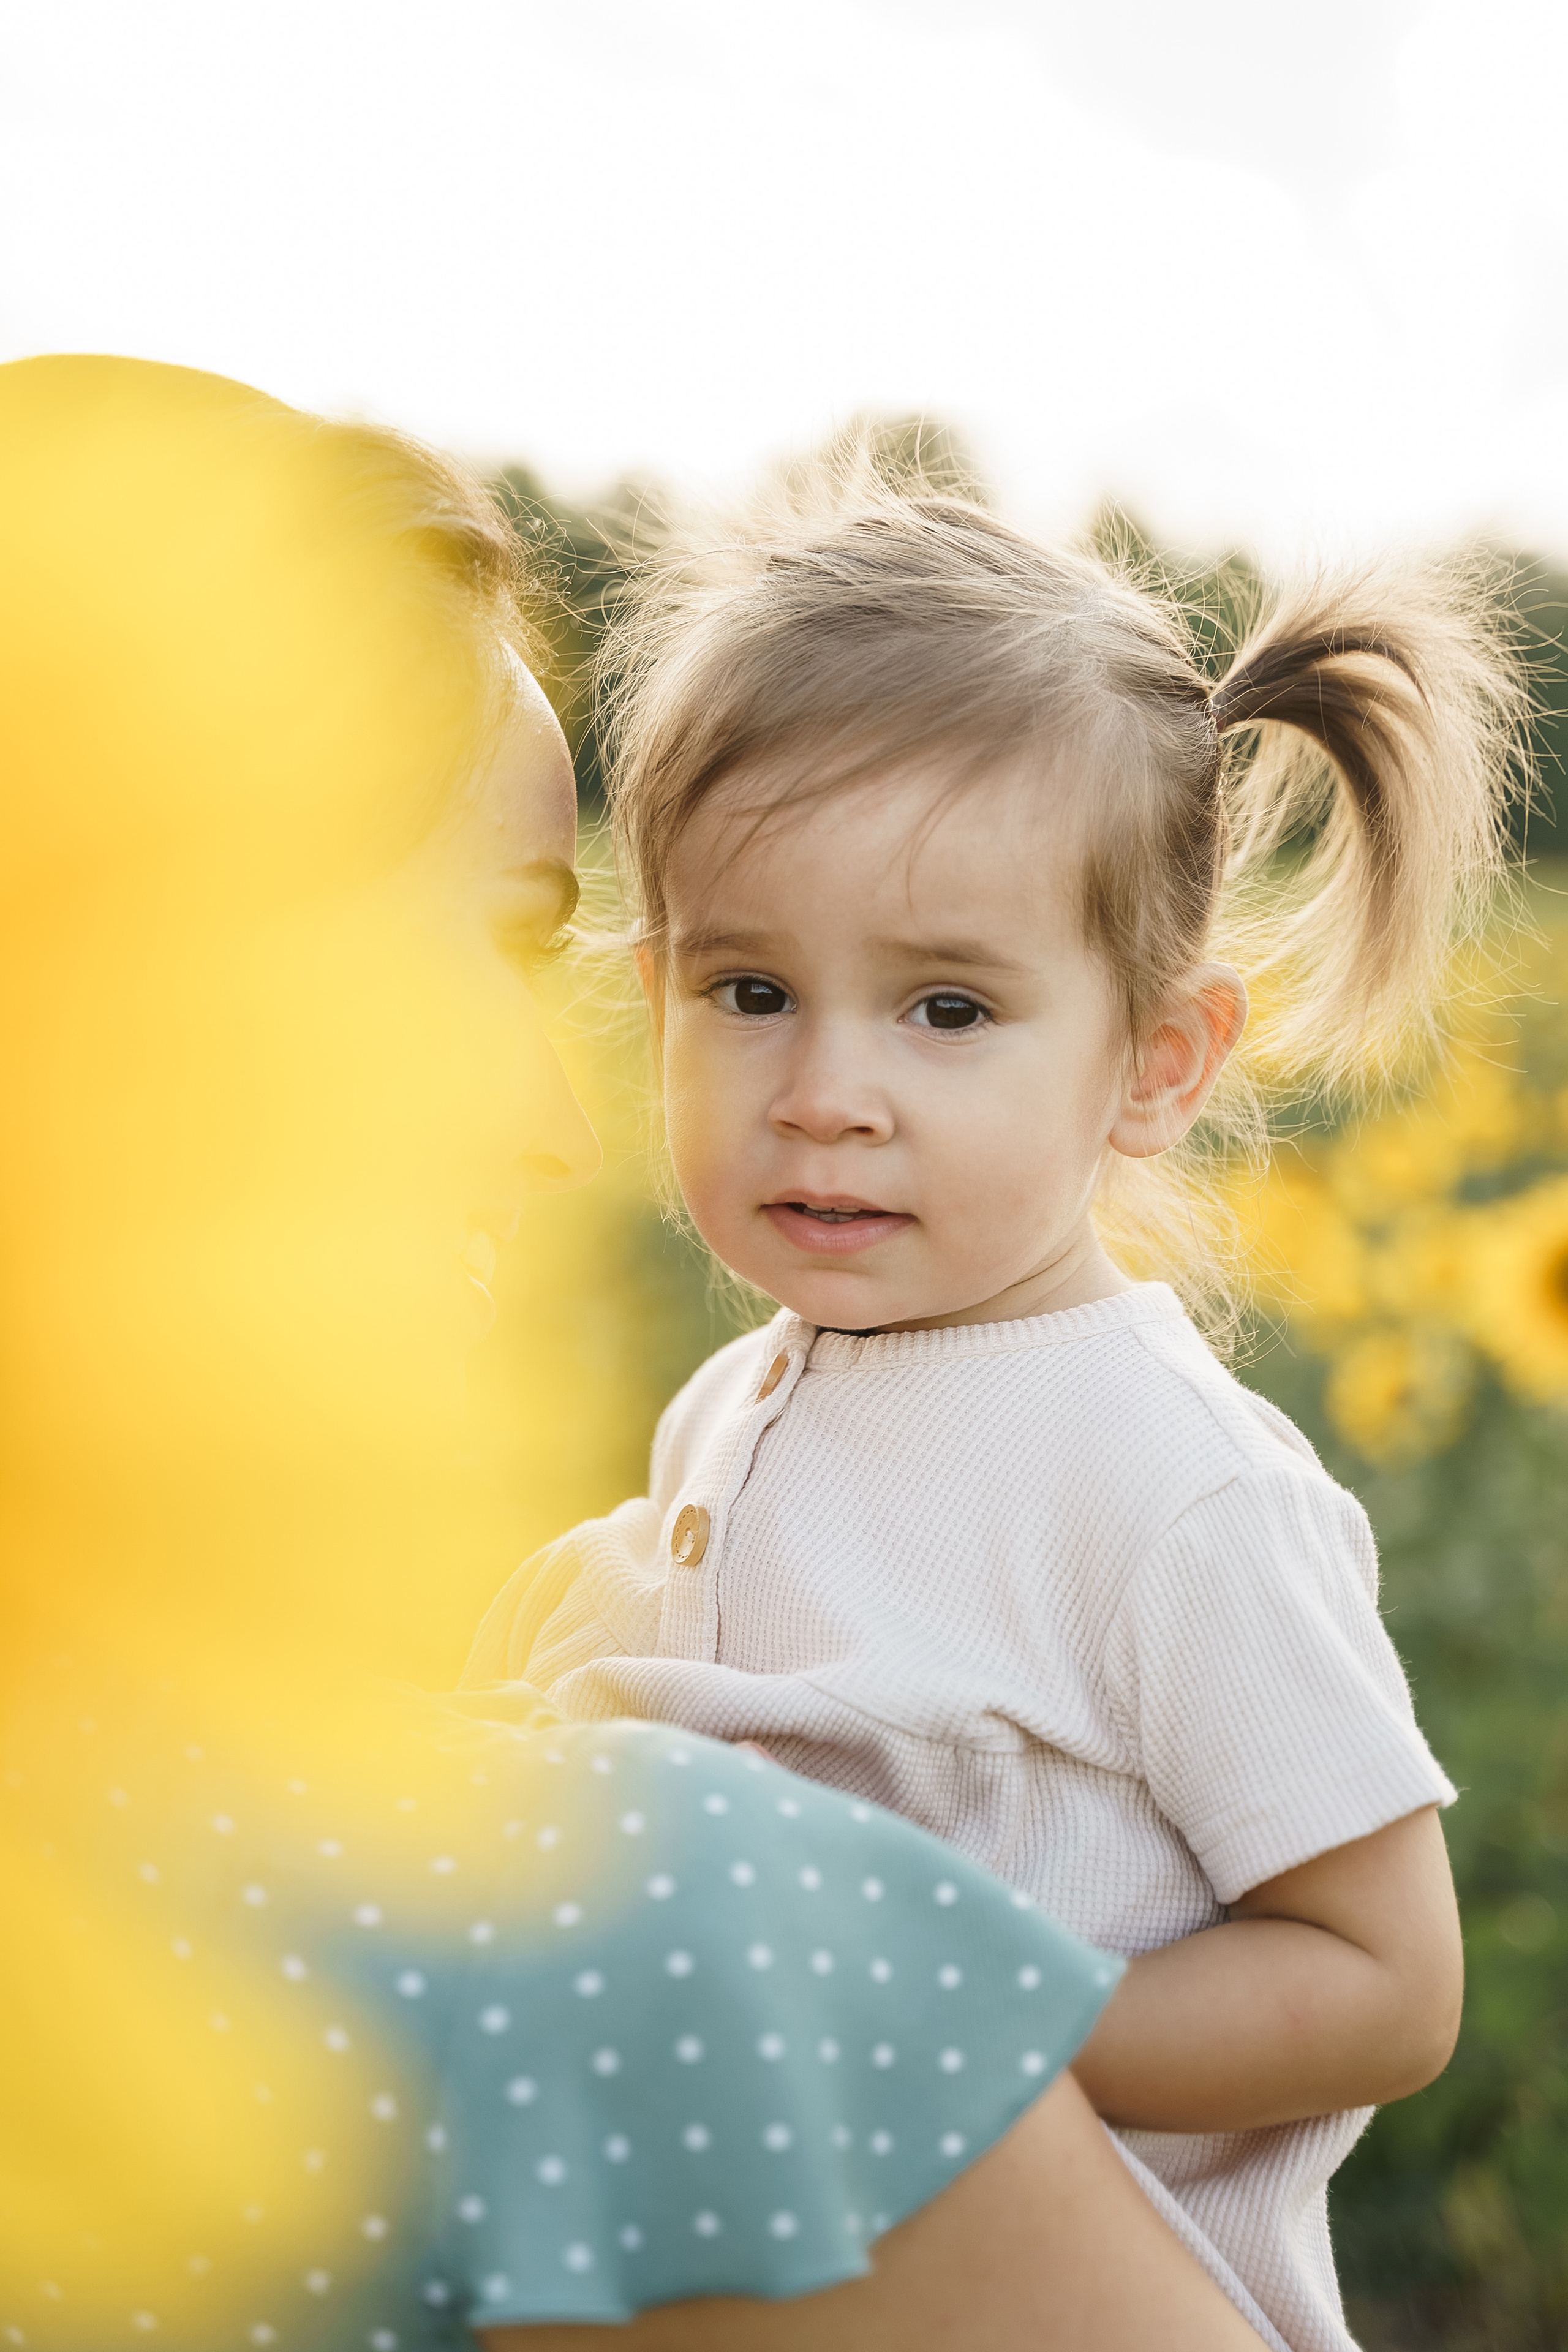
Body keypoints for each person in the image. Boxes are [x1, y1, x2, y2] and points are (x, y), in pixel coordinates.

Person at [0, 358, 1268, 2352]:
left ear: (1162, 1060)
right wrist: (929, 2007)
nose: (555, 1126)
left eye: (945, 1006)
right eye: (505, 939)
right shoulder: (646, 1947)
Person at [464, 450, 1529, 2351]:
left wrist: (967, 2051)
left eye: (945, 1010)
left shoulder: (1169, 1484)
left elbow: (1386, 1982)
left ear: (1158, 1059)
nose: (826, 1095)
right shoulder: (742, 1400)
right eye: (750, 991)